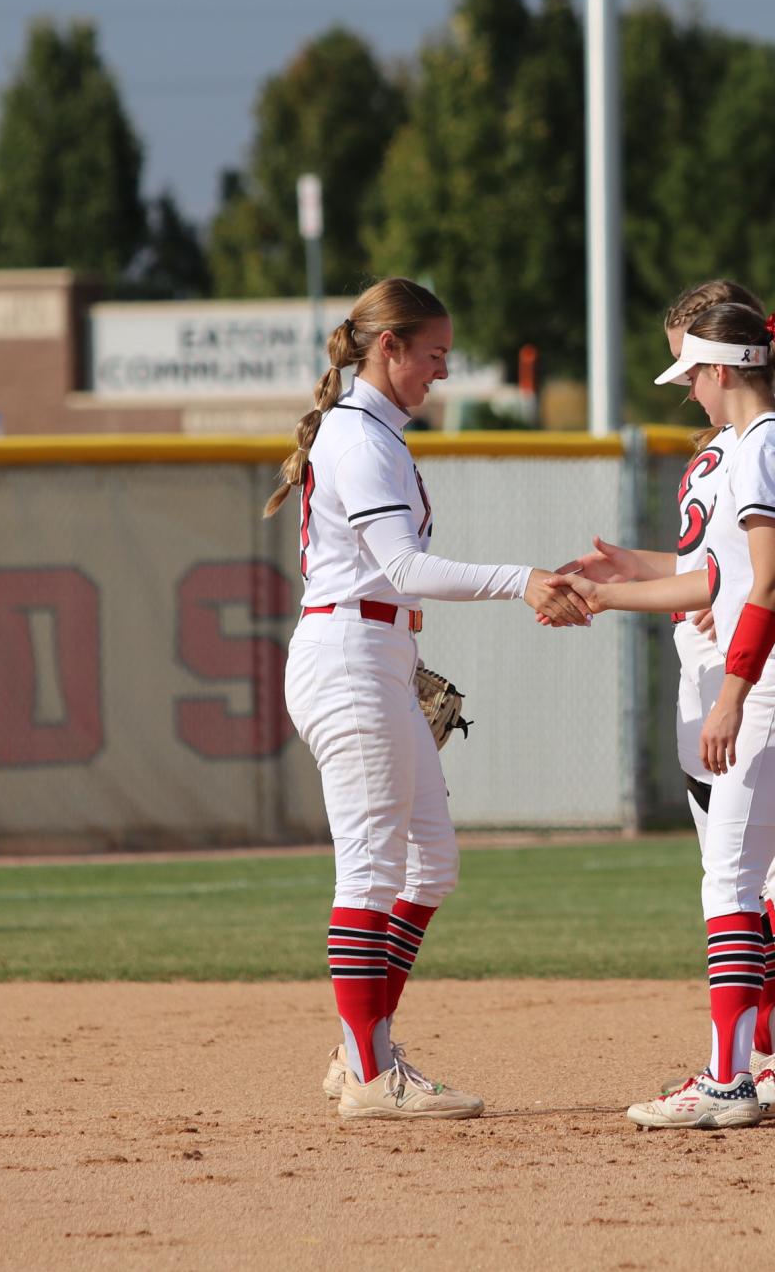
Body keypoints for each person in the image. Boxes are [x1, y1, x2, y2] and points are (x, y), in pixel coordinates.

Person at [262, 276, 588, 1121]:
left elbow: (391, 579)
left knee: (429, 864)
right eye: (433, 354)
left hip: (375, 648)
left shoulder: (372, 432)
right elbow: (403, 569)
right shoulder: (359, 437)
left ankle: (359, 1047)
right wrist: (521, 581)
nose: (442, 370)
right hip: (348, 651)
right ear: (389, 347)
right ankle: (372, 1073)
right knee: (369, 867)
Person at [559, 279, 775, 1118]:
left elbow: (765, 580)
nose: (686, 387)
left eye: (690, 372)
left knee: (731, 881)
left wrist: (732, 690)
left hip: (771, 678)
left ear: (722, 367)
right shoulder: (768, 441)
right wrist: (621, 582)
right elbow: (731, 573)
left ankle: (729, 1079)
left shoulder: (767, 443)